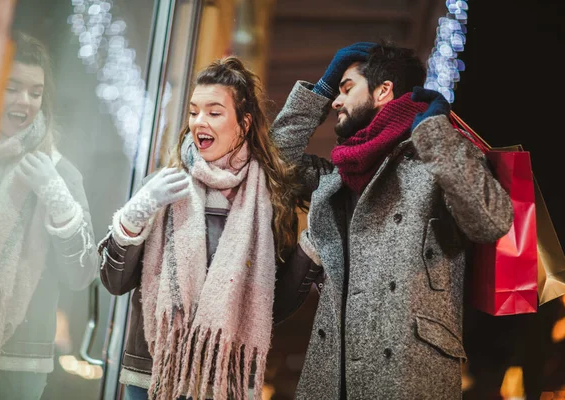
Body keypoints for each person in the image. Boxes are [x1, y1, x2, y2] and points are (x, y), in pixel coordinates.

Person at [270, 41, 514, 399]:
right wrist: (320, 89)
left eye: (346, 88)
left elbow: (491, 220)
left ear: (384, 91)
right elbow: (273, 166)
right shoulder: (337, 176)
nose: (336, 101)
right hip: (332, 375)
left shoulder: (438, 156)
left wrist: (434, 133)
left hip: (409, 373)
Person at [99, 56, 304, 400]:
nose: (199, 121)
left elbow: (274, 306)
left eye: (214, 111)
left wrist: (310, 254)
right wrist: (137, 213)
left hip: (222, 381)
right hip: (153, 376)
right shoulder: (162, 187)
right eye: (194, 111)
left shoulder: (269, 202)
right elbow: (113, 281)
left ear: (244, 122)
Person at [0, 31, 99, 399]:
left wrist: (56, 197)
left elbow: (83, 273)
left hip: (20, 363)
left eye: (36, 92)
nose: (24, 101)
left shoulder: (59, 171)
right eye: (13, 87)